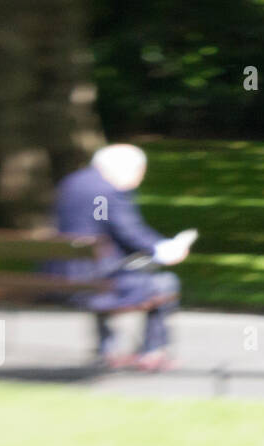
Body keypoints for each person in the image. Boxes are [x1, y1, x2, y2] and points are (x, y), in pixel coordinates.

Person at [52, 144, 186, 370]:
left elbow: (97, 227)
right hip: (94, 279)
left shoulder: (72, 183)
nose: (138, 178)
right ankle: (152, 353)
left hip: (60, 276)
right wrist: (164, 249)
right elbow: (127, 232)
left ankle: (108, 350)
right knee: (165, 283)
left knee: (103, 278)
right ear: (124, 168)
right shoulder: (107, 191)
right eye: (138, 172)